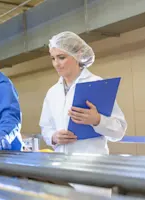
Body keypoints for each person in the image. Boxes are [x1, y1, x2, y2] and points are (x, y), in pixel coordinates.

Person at [39, 31, 127, 196]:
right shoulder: (52, 92)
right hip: (61, 170)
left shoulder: (97, 85)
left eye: (61, 57)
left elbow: (119, 131)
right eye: (53, 58)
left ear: (78, 54)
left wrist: (97, 120)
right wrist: (53, 137)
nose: (56, 64)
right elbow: (45, 126)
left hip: (92, 170)